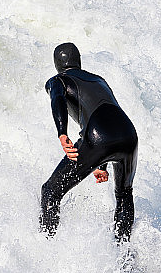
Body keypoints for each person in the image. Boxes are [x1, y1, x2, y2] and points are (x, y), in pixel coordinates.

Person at [40, 43, 138, 242]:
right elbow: (107, 116)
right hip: (128, 136)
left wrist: (62, 133)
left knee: (50, 192)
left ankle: (45, 246)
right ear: (78, 61)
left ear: (57, 64)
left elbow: (57, 100)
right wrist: (101, 164)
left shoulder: (57, 80)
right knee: (124, 194)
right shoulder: (99, 80)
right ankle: (124, 255)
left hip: (98, 138)